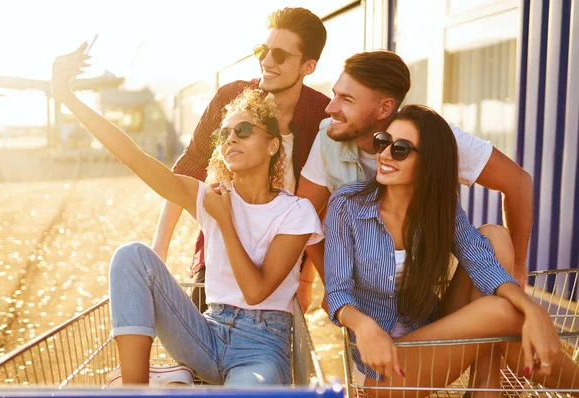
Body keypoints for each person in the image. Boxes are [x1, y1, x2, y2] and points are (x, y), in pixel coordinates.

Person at [51, 48, 323, 386]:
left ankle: (175, 380)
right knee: (131, 256)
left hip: (262, 348)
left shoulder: (295, 213)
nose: (231, 138)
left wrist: (224, 221)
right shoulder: (208, 196)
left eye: (244, 130)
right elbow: (134, 158)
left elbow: (255, 291)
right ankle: (136, 389)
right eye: (224, 134)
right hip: (206, 334)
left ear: (271, 145)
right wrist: (67, 98)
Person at [324, 105, 570, 398]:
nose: (385, 154)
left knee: (495, 236)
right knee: (503, 311)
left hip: (433, 337)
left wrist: (534, 311)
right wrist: (364, 326)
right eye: (383, 141)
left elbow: (482, 263)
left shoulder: (442, 209)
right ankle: (491, 389)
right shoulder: (346, 206)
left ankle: (485, 383)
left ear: (428, 162)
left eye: (400, 149)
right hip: (383, 366)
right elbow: (337, 292)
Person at [298, 50, 533, 288]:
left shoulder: (434, 140)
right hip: (369, 290)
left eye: (346, 100)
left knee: (496, 240)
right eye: (334, 94)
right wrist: (329, 280)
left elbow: (518, 182)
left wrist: (519, 266)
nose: (330, 108)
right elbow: (302, 217)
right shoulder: (329, 136)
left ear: (384, 108)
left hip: (427, 283)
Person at [153, 7, 330, 313]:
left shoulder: (321, 117)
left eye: (280, 55)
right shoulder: (231, 99)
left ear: (308, 66)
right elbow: (189, 170)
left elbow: (316, 205)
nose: (267, 61)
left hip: (281, 268)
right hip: (220, 255)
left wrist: (305, 280)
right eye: (263, 50)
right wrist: (160, 249)